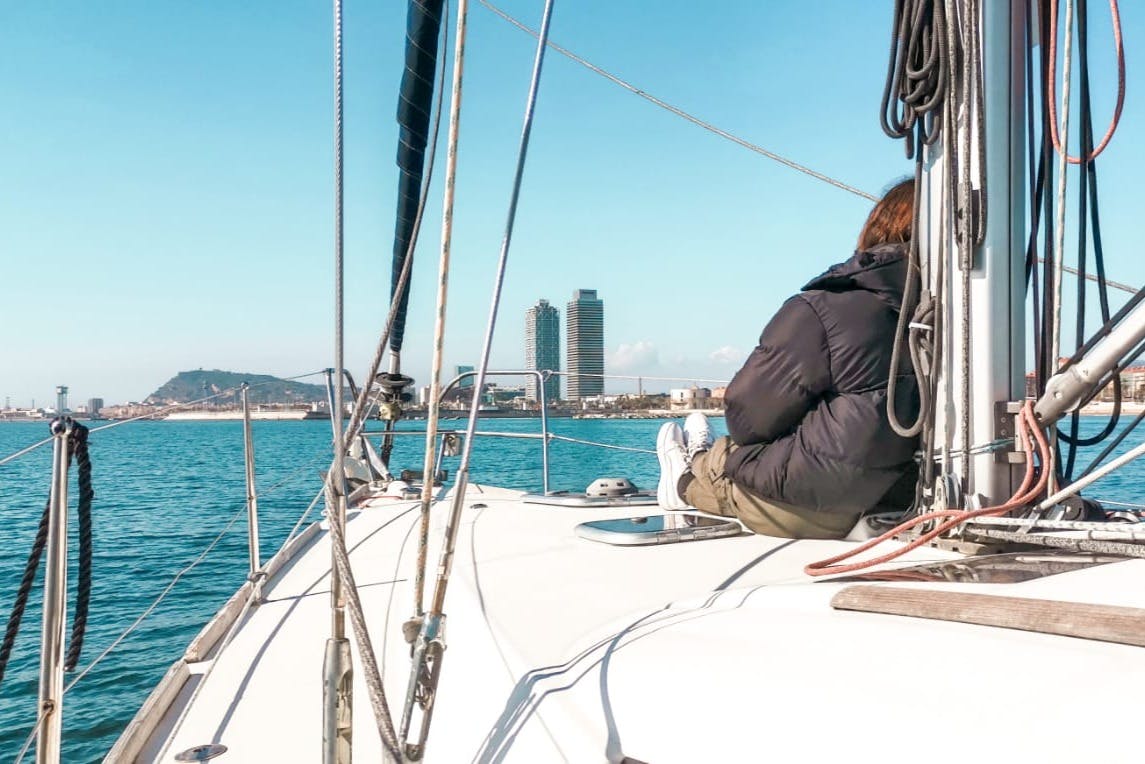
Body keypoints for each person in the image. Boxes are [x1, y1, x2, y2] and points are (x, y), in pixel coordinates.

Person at [657, 178, 920, 539]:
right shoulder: (973, 321)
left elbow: (747, 417)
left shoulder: (827, 308)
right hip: (907, 499)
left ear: (879, 227)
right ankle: (701, 459)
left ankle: (685, 478)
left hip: (811, 506)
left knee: (728, 455)